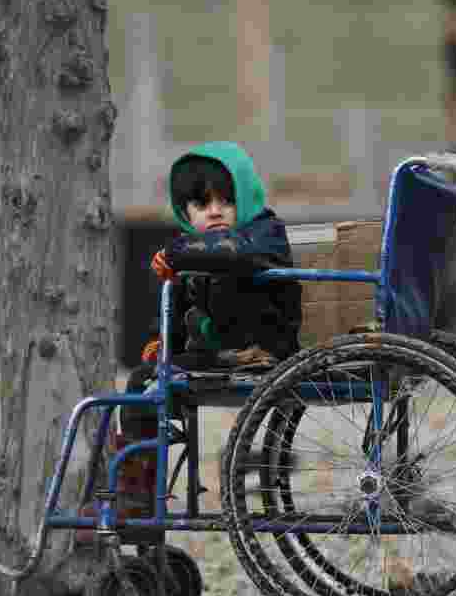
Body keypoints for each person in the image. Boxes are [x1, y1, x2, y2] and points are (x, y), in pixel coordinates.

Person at [77, 141, 302, 543]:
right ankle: (138, 487)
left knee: (147, 386)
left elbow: (234, 255)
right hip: (215, 355)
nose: (214, 211)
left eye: (226, 201)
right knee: (144, 380)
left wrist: (180, 251)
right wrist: (165, 344)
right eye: (201, 205)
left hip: (262, 352)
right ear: (186, 212)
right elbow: (183, 305)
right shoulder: (194, 252)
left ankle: (136, 493)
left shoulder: (264, 234)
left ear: (246, 198)